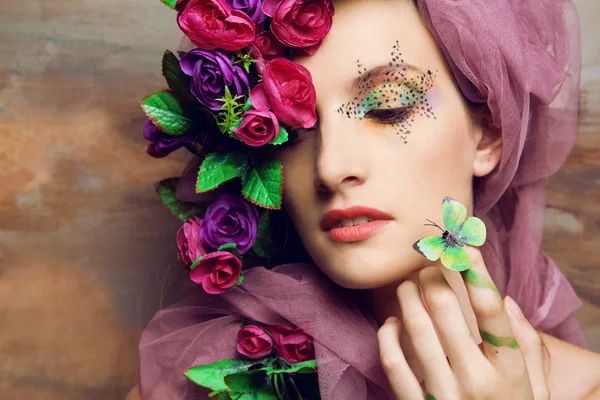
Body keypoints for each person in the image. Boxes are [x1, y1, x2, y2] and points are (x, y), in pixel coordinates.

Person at [132, 0, 600, 398]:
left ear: (488, 136)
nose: (331, 167)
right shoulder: (194, 378)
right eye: (293, 131)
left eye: (387, 108)